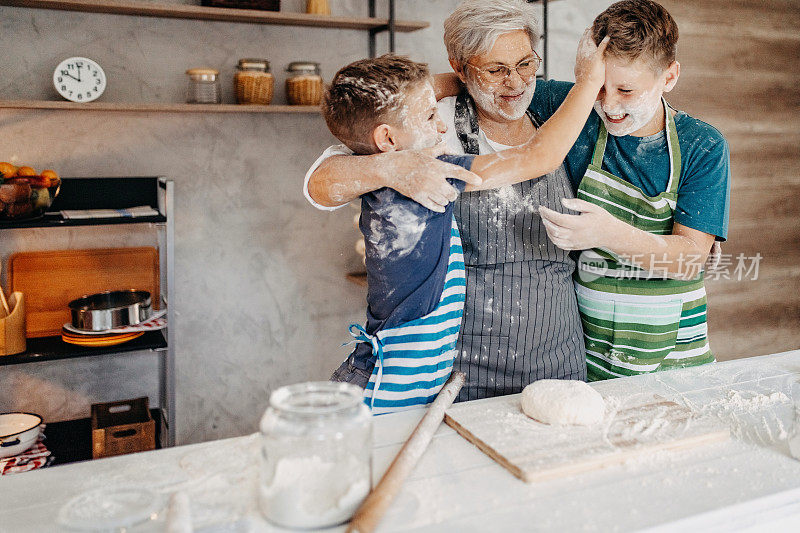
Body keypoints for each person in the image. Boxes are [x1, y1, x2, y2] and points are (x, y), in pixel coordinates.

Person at [307, 0, 594, 402]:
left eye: (526, 64)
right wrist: (393, 169)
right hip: (460, 367)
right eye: (495, 69)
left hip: (558, 353)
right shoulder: (426, 131)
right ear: (459, 68)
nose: (515, 82)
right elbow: (320, 184)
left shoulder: (555, 110)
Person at [437, 0, 729, 380]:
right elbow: (483, 81)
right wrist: (438, 81)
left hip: (674, 358)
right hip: (588, 355)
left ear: (669, 77)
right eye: (598, 86)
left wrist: (606, 233)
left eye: (626, 90)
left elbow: (689, 260)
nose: (609, 105)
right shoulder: (573, 108)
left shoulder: (701, 145)